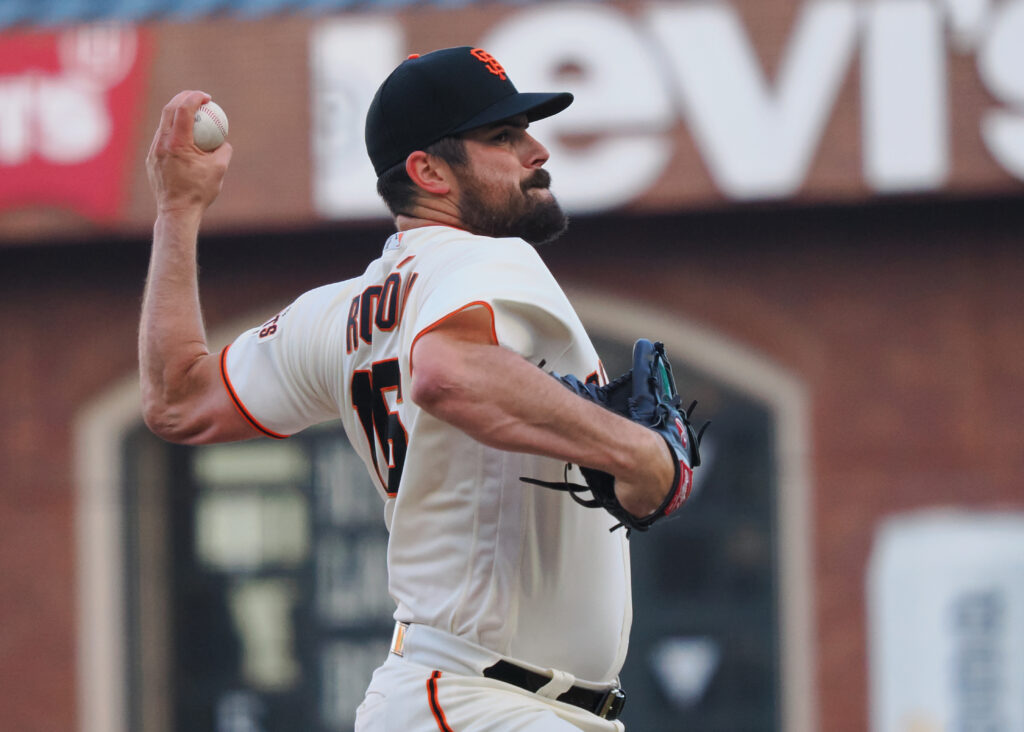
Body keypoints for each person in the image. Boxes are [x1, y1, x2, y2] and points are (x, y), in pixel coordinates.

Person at [141, 46, 679, 731]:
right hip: (481, 702)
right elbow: (449, 373)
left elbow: (177, 399)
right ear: (428, 172)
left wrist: (178, 210)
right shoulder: (490, 257)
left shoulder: (339, 315)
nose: (536, 150)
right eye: (503, 137)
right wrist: (639, 453)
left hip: (471, 701)